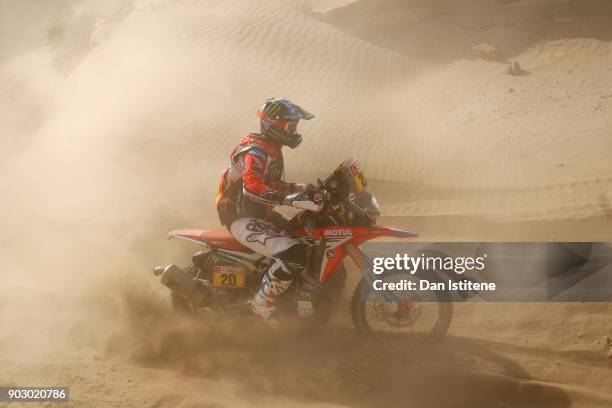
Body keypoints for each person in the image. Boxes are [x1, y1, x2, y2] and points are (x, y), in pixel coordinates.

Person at [215, 98, 320, 326]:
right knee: (294, 253)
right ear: (274, 125)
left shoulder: (271, 149)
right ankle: (261, 303)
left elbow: (271, 185)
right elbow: (252, 185)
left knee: (306, 235)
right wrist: (289, 198)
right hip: (242, 217)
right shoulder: (256, 150)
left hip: (261, 214)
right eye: (291, 126)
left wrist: (300, 188)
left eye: (296, 127)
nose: (294, 132)